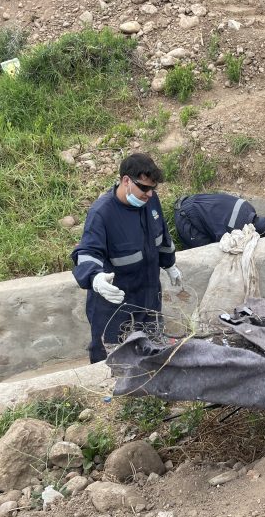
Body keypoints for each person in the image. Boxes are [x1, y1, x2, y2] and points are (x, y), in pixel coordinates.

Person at [71, 153, 183, 363]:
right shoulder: (102, 214)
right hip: (115, 307)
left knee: (150, 354)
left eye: (153, 189)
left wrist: (170, 264)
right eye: (144, 188)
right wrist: (94, 278)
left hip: (149, 297)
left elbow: (161, 237)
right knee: (113, 360)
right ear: (126, 181)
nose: (149, 194)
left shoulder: (149, 201)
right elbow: (88, 252)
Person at [173, 193, 265, 249]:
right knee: (206, 252)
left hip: (196, 200)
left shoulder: (248, 207)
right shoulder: (236, 229)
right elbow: (222, 245)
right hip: (186, 217)